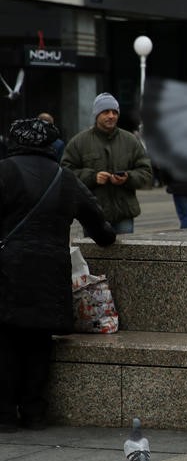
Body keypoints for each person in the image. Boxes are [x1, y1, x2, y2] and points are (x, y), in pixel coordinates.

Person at [0, 118, 116, 432]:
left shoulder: (5, 172)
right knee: (39, 341)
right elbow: (100, 227)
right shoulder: (63, 178)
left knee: (6, 339)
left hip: (8, 269)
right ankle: (35, 413)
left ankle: (6, 415)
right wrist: (108, 236)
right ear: (50, 145)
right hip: (48, 272)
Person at [61, 93, 153, 234]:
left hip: (124, 213)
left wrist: (128, 178)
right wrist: (92, 177)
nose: (111, 116)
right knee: (94, 255)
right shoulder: (79, 142)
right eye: (106, 112)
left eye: (114, 112)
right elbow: (65, 173)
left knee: (126, 254)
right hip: (93, 214)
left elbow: (146, 173)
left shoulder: (131, 140)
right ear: (97, 114)